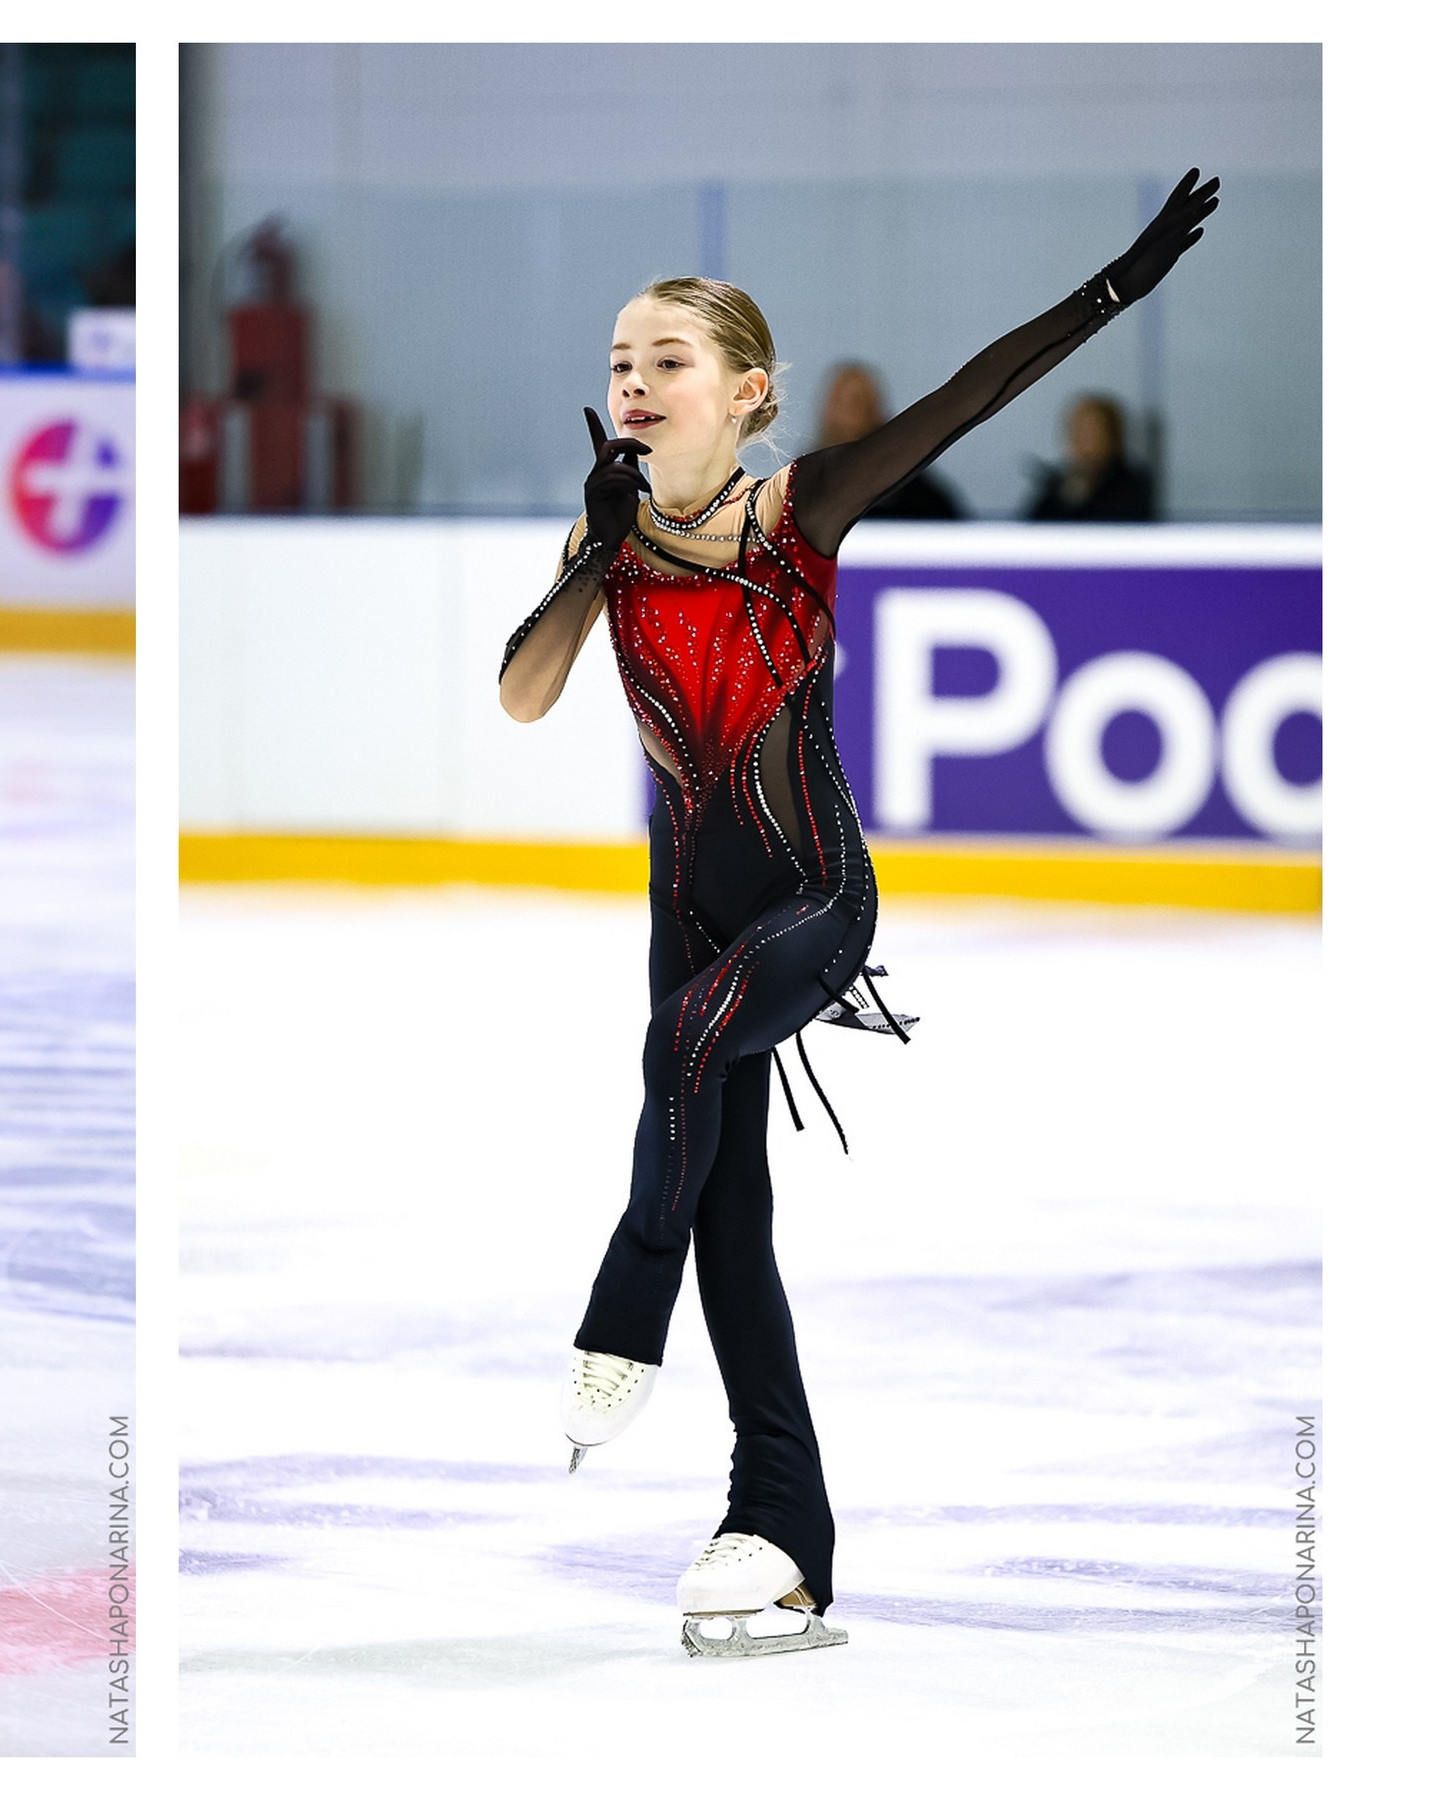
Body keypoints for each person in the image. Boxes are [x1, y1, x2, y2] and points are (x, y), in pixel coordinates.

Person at [497, 171, 1219, 1657]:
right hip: (685, 908)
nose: (633, 383)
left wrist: (1115, 289)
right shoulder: (609, 535)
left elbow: (969, 395)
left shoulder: (800, 506)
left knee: (680, 1077)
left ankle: (619, 1307)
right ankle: (782, 1532)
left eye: (667, 362)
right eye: (620, 363)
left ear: (746, 393)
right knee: (732, 1212)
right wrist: (592, 544)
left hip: (814, 894)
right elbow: (522, 693)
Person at [812, 361, 964, 519]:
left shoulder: (911, 489)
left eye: (854, 401)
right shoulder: (801, 483)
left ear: (875, 413)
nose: (842, 412)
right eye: (837, 401)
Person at [1025, 392, 1156, 521]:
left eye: (1090, 434)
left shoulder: (1130, 487)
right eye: (1075, 432)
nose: (1079, 442)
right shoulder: (1057, 485)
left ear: (1112, 437)